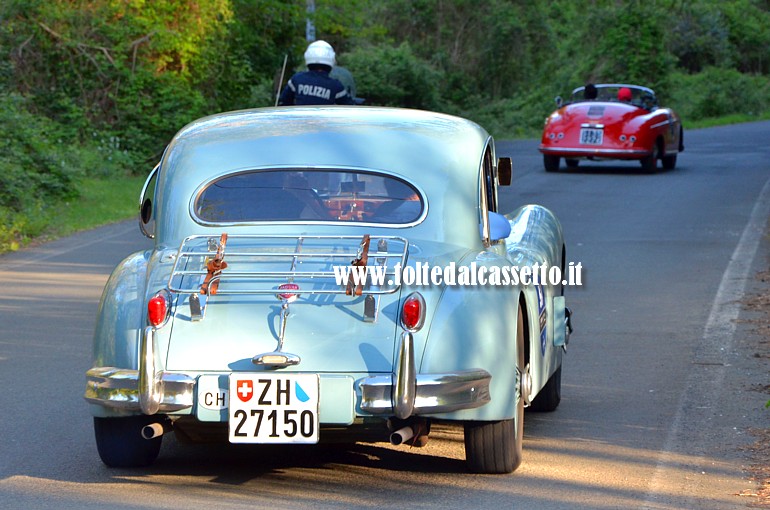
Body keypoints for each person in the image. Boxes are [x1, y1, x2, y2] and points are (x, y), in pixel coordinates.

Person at [278, 41, 354, 106]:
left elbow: (283, 102)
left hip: (298, 122)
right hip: (325, 123)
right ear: (331, 59)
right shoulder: (336, 86)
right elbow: (349, 108)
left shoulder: (297, 79)